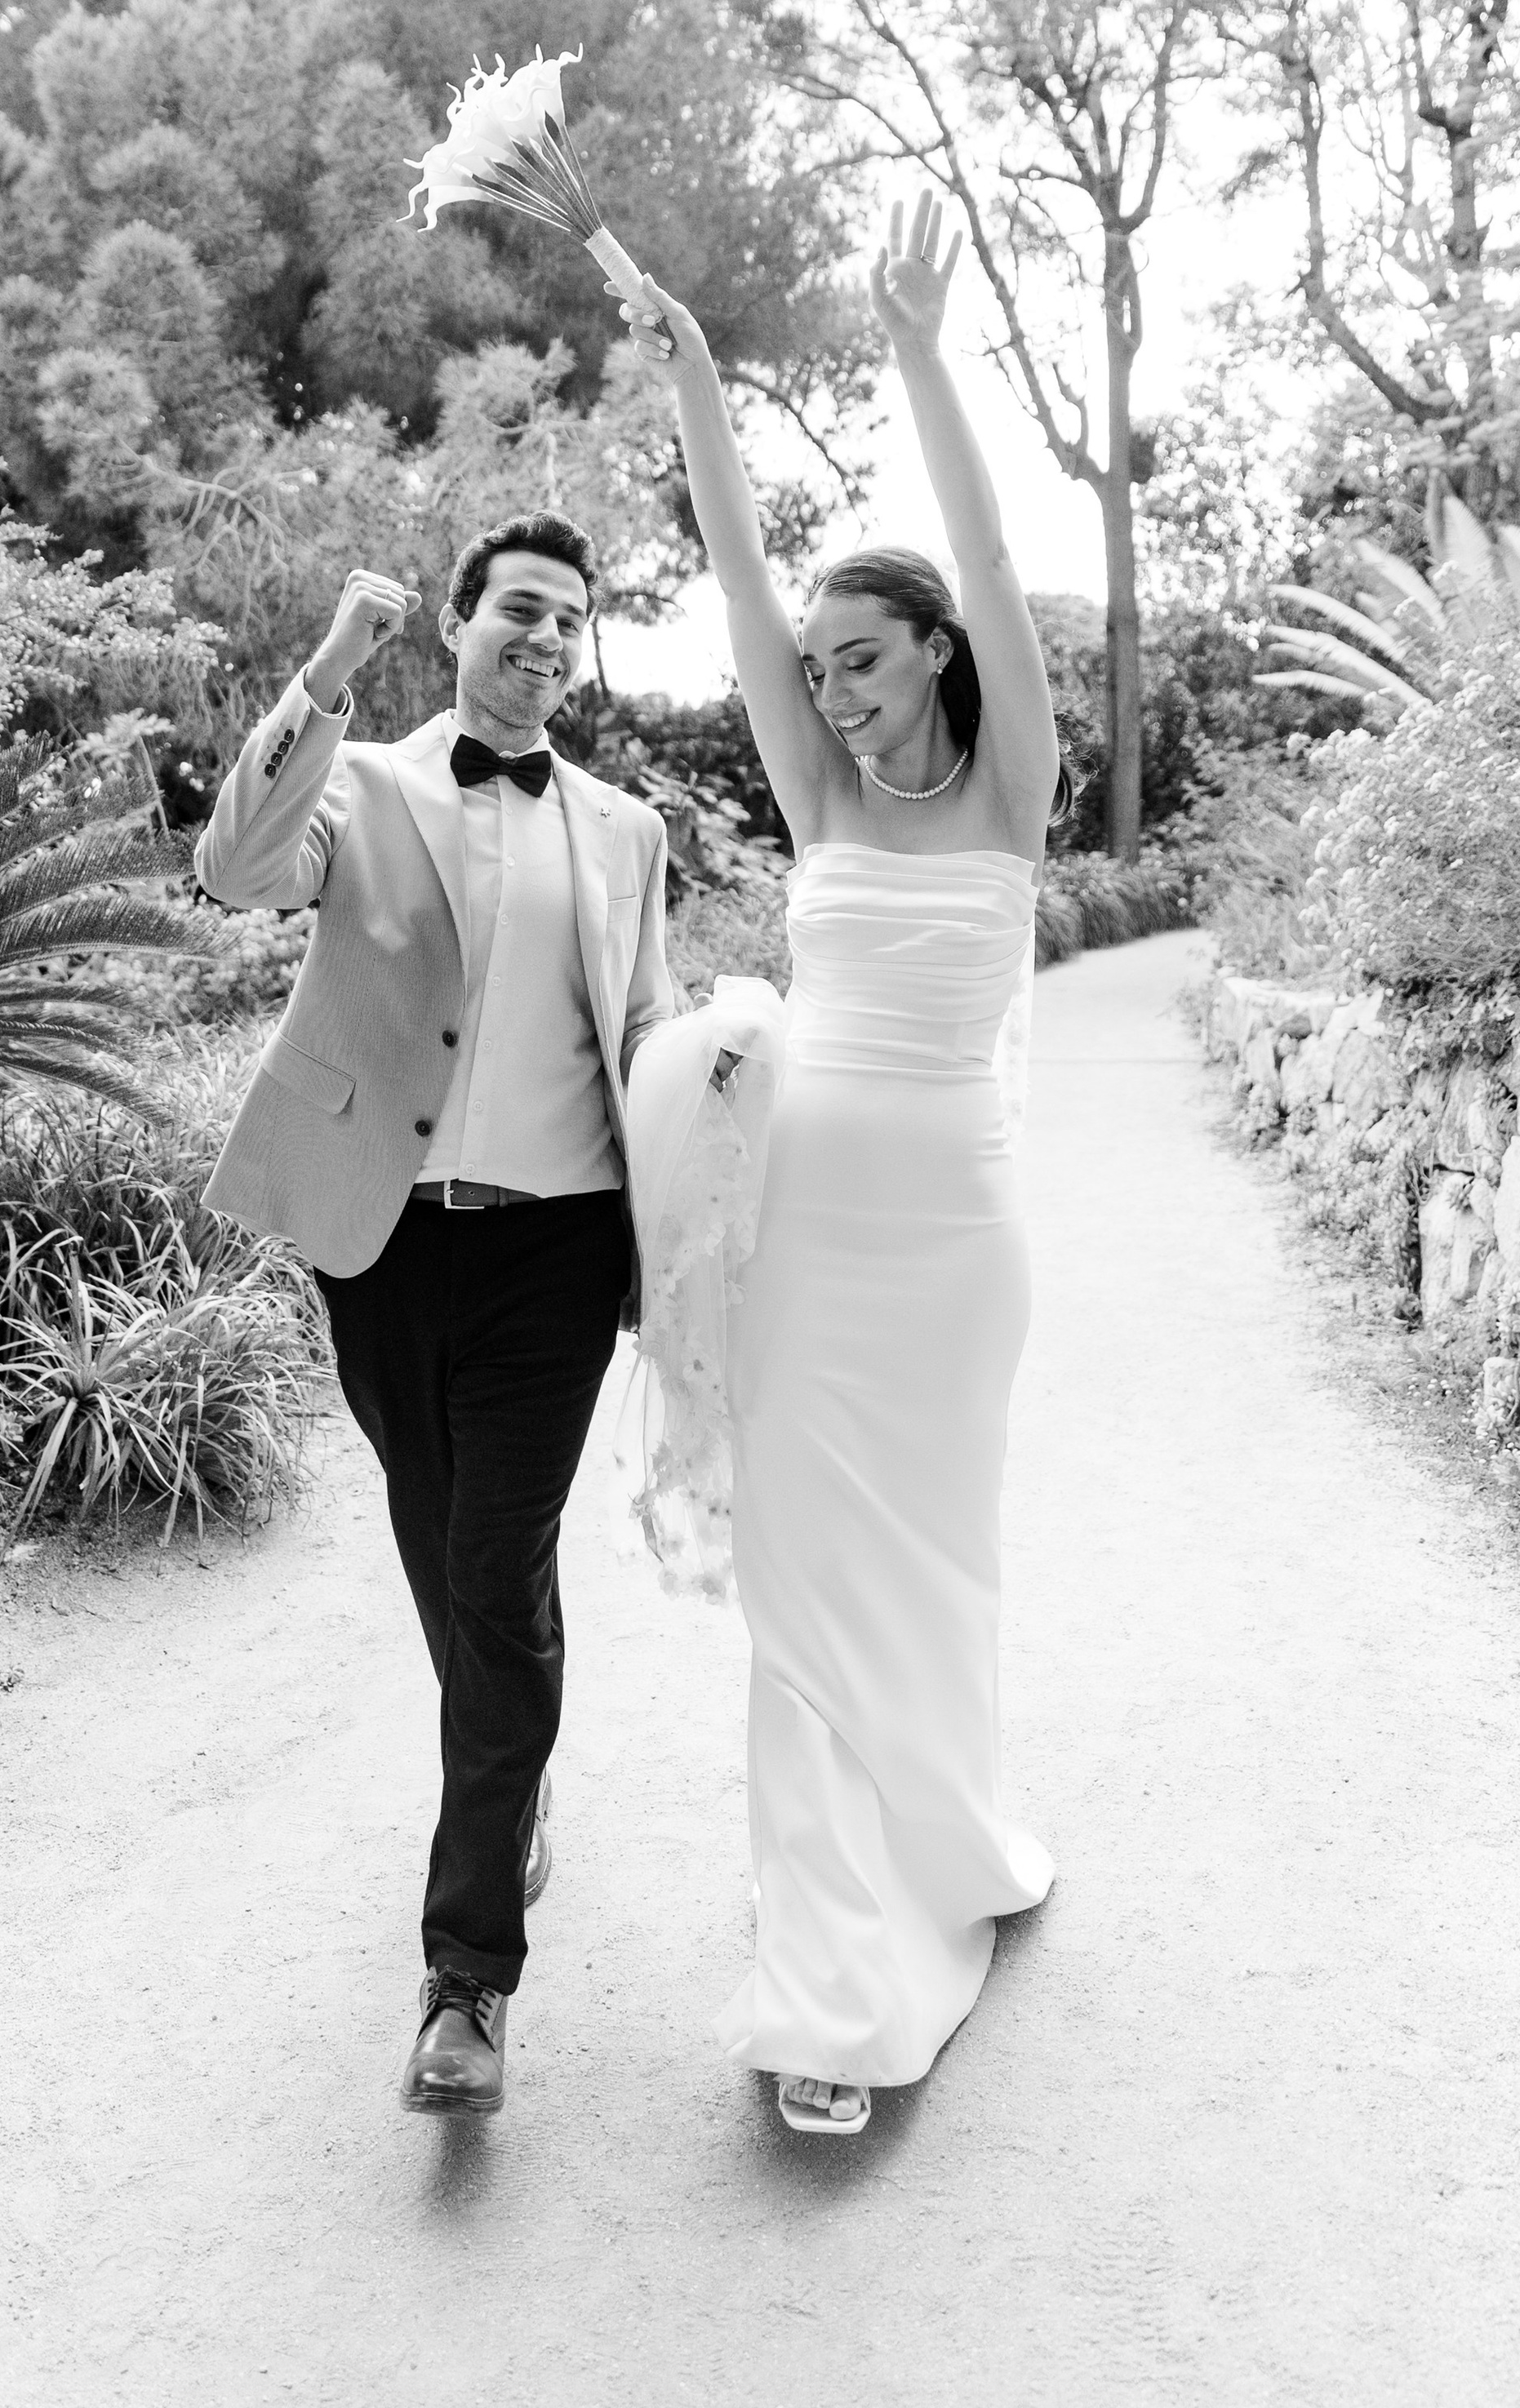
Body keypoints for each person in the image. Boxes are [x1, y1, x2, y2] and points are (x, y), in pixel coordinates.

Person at [616, 191, 1065, 2138]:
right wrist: (700, 380)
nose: (830, 687)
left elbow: (979, 544)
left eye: (863, 659)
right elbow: (727, 577)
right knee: (804, 1593)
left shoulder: (1010, 778)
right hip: (799, 1235)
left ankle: (950, 1844)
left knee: (929, 1571)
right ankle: (828, 1982)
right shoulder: (809, 787)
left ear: (940, 659)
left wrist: (913, 348)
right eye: (816, 668)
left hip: (952, 1246)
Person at [193, 513, 674, 2117]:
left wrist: (707, 1213)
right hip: (380, 1245)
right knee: (439, 1549)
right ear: (459, 624)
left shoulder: (623, 830)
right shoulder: (368, 784)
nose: (542, 640)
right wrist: (325, 667)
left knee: (494, 1562)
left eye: (567, 621)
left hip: (557, 1253)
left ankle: (464, 1981)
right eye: (515, 613)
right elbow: (234, 867)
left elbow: (652, 1037)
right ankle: (510, 1780)